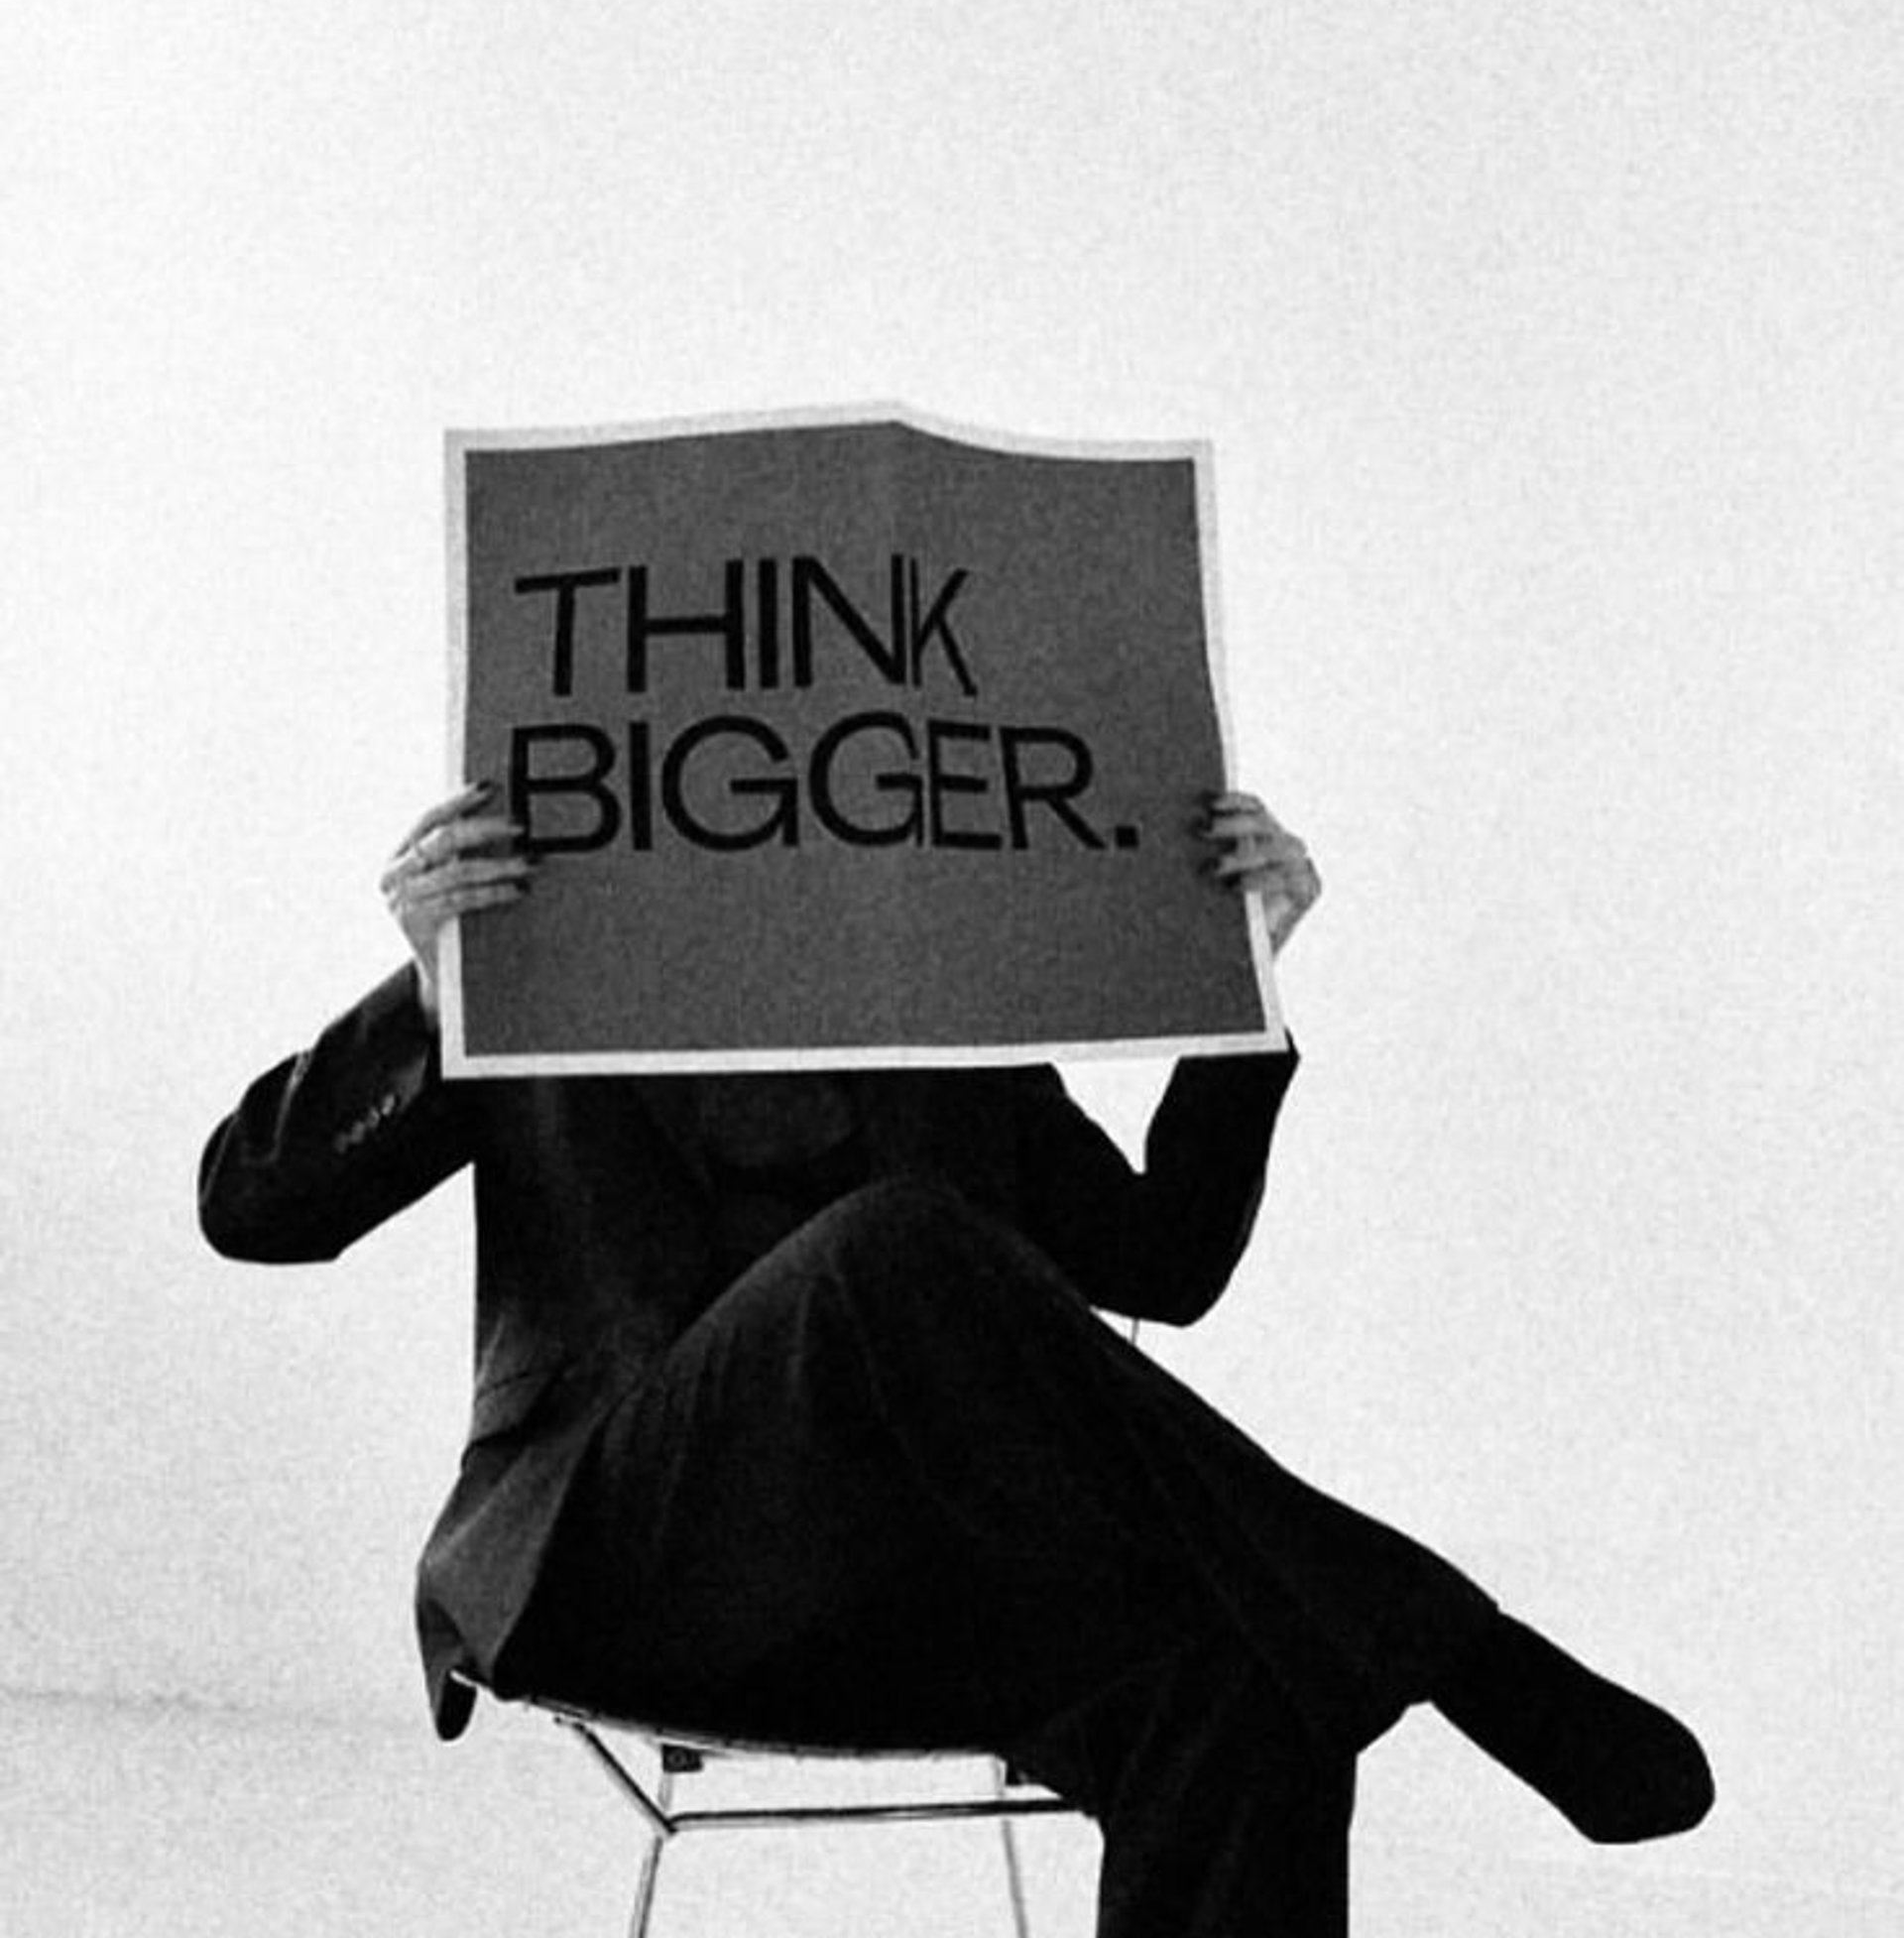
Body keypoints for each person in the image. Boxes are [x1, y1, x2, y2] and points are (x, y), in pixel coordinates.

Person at [198, 784, 1713, 1936]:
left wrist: (1237, 989)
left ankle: (1390, 1626)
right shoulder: (545, 988)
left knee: (1249, 1676)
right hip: (618, 1554)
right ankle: (1443, 1632)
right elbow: (253, 1207)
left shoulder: (955, 1041)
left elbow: (1168, 1268)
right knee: (890, 1247)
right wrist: (435, 980)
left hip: (920, 1599)